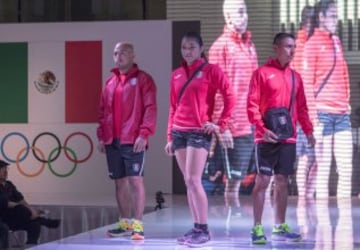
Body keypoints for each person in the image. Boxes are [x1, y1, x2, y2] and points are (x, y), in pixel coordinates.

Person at [164, 31, 234, 247]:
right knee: (189, 182)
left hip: (198, 132)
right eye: (184, 47)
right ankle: (196, 227)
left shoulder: (212, 70)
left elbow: (230, 95)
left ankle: (203, 229)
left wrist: (220, 125)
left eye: (192, 47)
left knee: (194, 180)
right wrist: (169, 136)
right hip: (179, 132)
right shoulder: (176, 74)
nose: (187, 51)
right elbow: (173, 107)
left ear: (201, 49)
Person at [247, 32, 315, 244]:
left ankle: (279, 226)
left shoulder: (296, 77)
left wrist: (309, 131)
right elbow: (252, 105)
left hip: (289, 139)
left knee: (283, 181)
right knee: (262, 181)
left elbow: (302, 108)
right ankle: (257, 228)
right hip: (265, 138)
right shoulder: (261, 73)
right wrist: (261, 128)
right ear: (276, 48)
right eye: (287, 46)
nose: (292, 50)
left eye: (294, 46)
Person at [97, 42, 157, 240]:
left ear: (132, 55)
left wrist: (144, 133)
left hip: (133, 139)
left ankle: (138, 226)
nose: (119, 56)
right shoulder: (109, 83)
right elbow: (102, 112)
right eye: (116, 53)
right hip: (112, 140)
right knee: (119, 183)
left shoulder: (143, 80)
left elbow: (150, 108)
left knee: (135, 181)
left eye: (123, 52)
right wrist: (101, 136)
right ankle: (124, 224)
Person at [302, 0, 353, 198]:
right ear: (321, 17)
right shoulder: (311, 44)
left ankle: (345, 221)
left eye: (336, 16)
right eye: (332, 15)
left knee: (346, 168)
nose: (335, 20)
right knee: (323, 168)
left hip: (341, 115)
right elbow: (306, 84)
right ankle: (323, 225)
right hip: (322, 114)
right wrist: (314, 120)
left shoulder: (337, 41)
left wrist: (347, 99)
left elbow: (343, 72)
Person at [208, 0, 258, 198]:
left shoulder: (249, 45)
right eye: (239, 12)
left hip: (252, 123)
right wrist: (223, 126)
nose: (244, 16)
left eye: (245, 12)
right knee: (233, 184)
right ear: (227, 17)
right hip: (234, 126)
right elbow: (216, 92)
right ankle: (230, 228)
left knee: (258, 177)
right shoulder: (220, 47)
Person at [0, 160, 60, 246]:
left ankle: (30, 246)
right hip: (2, 217)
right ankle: (44, 221)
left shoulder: (9, 185)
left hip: (12, 218)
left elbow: (21, 199)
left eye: (6, 169)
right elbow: (5, 202)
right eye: (2, 169)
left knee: (34, 224)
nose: (5, 171)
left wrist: (32, 211)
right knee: (19, 209)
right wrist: (21, 207)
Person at [292, 5, 317, 198]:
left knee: (317, 159)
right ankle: (303, 198)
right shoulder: (297, 46)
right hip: (301, 113)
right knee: (304, 158)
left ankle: (308, 196)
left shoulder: (316, 44)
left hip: (317, 112)